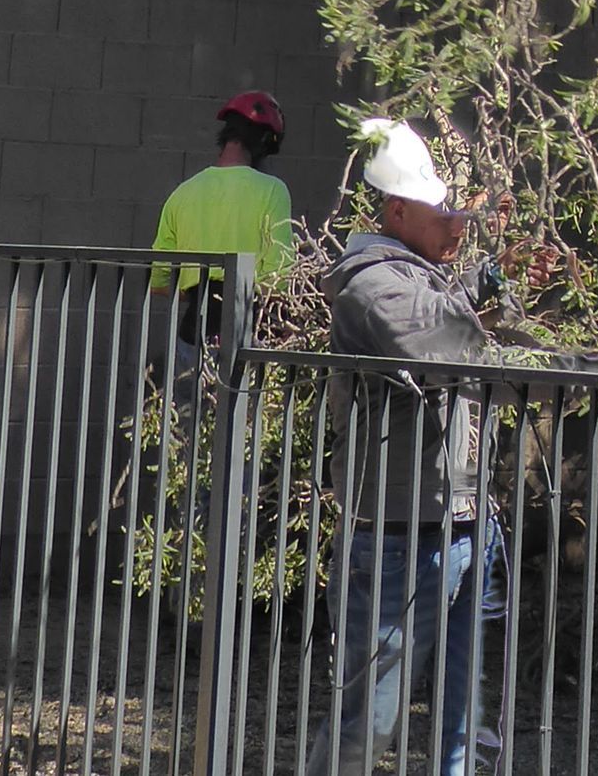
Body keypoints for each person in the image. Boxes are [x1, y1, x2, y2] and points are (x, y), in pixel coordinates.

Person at [307, 118, 493, 776]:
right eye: (444, 214)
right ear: (396, 210)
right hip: (397, 534)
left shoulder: (424, 279)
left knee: (465, 724)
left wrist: (487, 290)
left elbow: (451, 333)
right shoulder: (368, 284)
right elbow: (440, 349)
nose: (457, 228)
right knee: (370, 723)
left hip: (464, 521)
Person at [150, 89, 293, 354]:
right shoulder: (273, 190)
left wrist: (192, 290)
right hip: (247, 331)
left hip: (192, 333)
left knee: (188, 396)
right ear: (262, 141)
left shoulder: (183, 193)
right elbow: (280, 274)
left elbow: (159, 279)